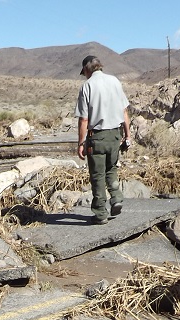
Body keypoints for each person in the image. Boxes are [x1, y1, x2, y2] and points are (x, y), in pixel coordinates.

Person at [75, 55, 131, 225]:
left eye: (84, 72)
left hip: (97, 137)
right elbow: (124, 112)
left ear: (86, 69)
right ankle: (116, 198)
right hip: (115, 135)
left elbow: (84, 119)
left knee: (97, 176)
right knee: (111, 168)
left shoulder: (87, 86)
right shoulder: (114, 81)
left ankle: (100, 213)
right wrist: (127, 135)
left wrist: (80, 143)